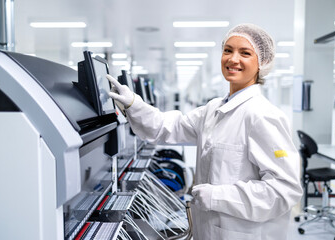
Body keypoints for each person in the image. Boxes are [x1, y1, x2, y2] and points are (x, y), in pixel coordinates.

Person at [107, 23, 303, 240]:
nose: (233, 59)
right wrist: (133, 103)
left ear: (262, 63)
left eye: (245, 53)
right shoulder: (214, 109)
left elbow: (283, 190)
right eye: (228, 50)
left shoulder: (262, 115)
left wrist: (216, 196)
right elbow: (167, 127)